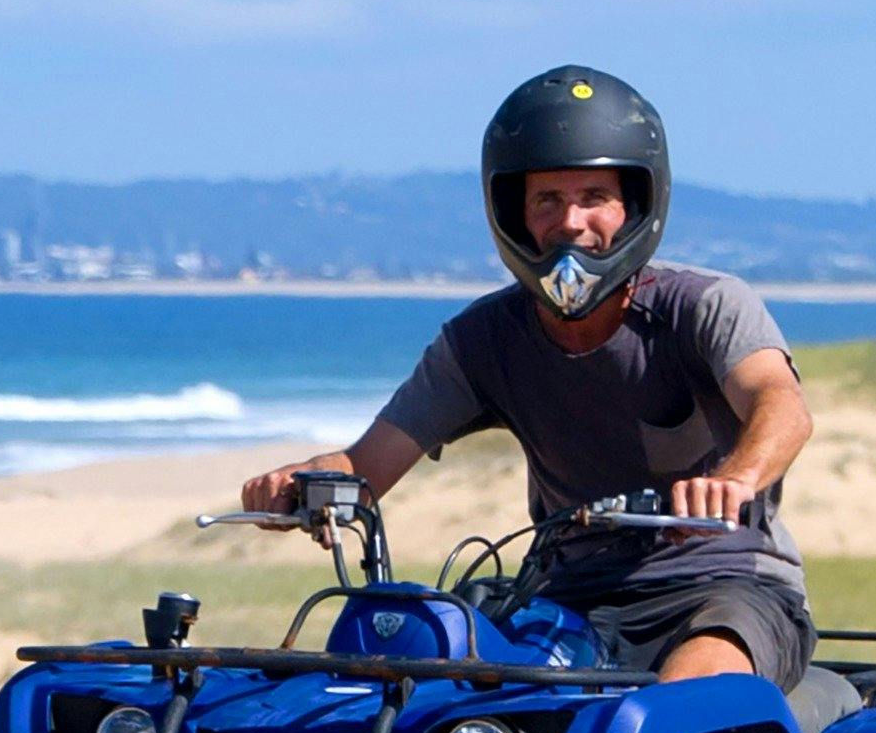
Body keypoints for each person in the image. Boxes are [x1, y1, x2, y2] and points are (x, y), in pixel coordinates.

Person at [241, 66, 815, 685]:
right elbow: (370, 464)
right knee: (435, 691)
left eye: (594, 198)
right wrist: (299, 486)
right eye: (548, 200)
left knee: (685, 702)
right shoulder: (481, 340)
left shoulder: (702, 306)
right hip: (566, 601)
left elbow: (780, 404)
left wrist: (735, 479)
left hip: (724, 588)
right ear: (513, 214)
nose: (570, 222)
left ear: (635, 207)